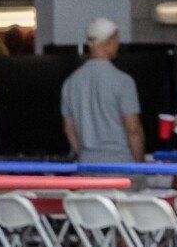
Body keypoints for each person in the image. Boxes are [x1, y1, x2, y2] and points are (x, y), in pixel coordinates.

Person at [61, 17, 144, 164]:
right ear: (109, 41)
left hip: (86, 165)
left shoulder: (70, 82)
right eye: (117, 40)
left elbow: (69, 129)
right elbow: (133, 130)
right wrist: (139, 164)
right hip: (120, 164)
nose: (118, 45)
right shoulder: (123, 81)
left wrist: (84, 156)